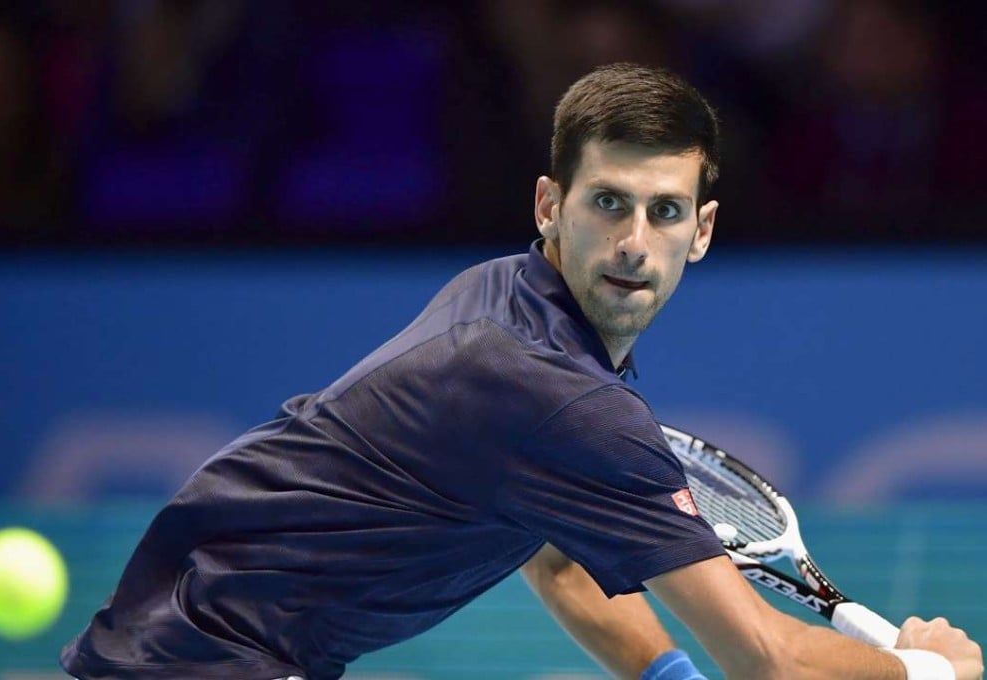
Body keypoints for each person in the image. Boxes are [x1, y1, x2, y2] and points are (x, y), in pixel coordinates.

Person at [60, 63, 983, 680]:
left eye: (665, 212)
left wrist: (668, 676)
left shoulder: (505, 296)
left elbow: (555, 559)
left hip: (184, 643)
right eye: (608, 203)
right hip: (212, 658)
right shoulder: (557, 397)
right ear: (550, 205)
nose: (635, 242)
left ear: (701, 231)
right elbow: (768, 659)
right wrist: (926, 668)